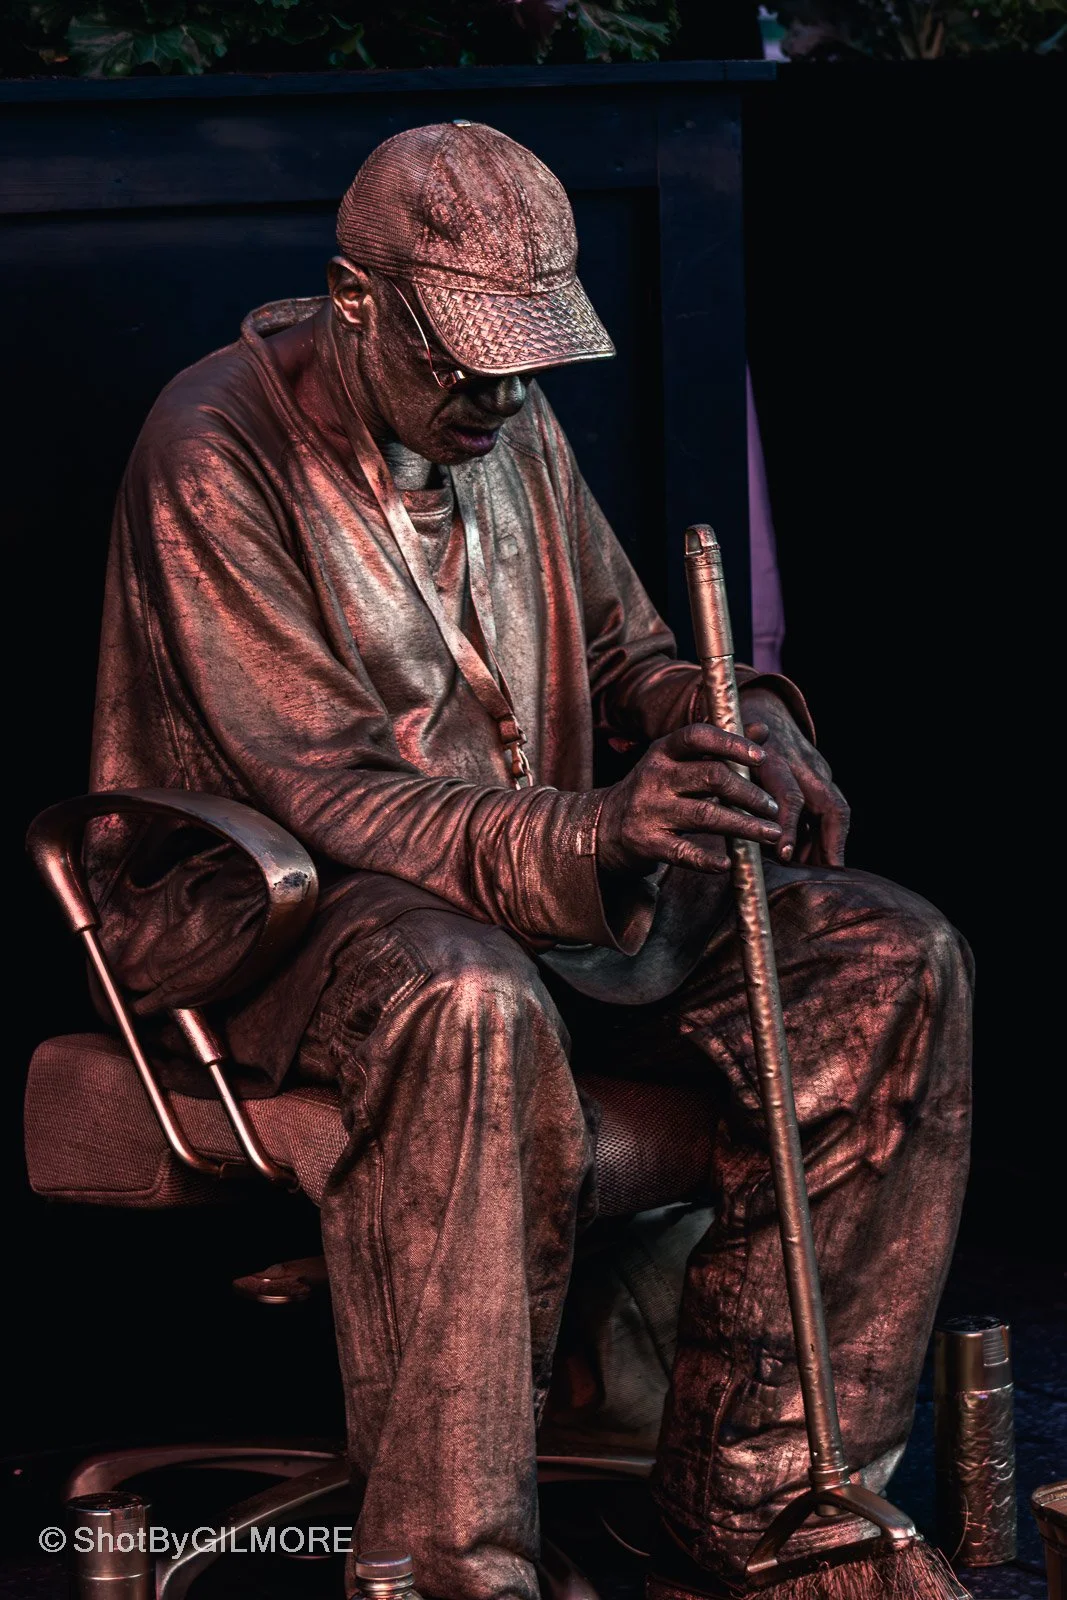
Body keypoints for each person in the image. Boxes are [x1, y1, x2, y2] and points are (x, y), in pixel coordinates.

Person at [89, 122, 972, 1600]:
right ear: (353, 301)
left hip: (542, 889)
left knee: (896, 957)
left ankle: (759, 1512)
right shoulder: (211, 448)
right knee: (466, 1000)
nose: (501, 394)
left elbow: (631, 651)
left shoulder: (495, 421)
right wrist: (600, 831)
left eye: (527, 358)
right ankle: (450, 1569)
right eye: (467, 359)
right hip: (278, 917)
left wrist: (738, 712)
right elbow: (329, 795)